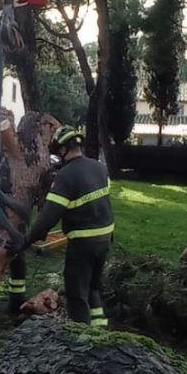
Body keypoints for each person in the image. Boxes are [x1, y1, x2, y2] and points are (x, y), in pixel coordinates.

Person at [22, 126, 114, 326]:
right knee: (93, 287)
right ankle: (99, 331)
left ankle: (80, 335)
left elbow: (48, 217)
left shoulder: (66, 175)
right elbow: (104, 202)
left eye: (58, 152)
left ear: (63, 149)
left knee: (76, 293)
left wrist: (26, 241)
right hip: (105, 238)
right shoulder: (99, 168)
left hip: (83, 243)